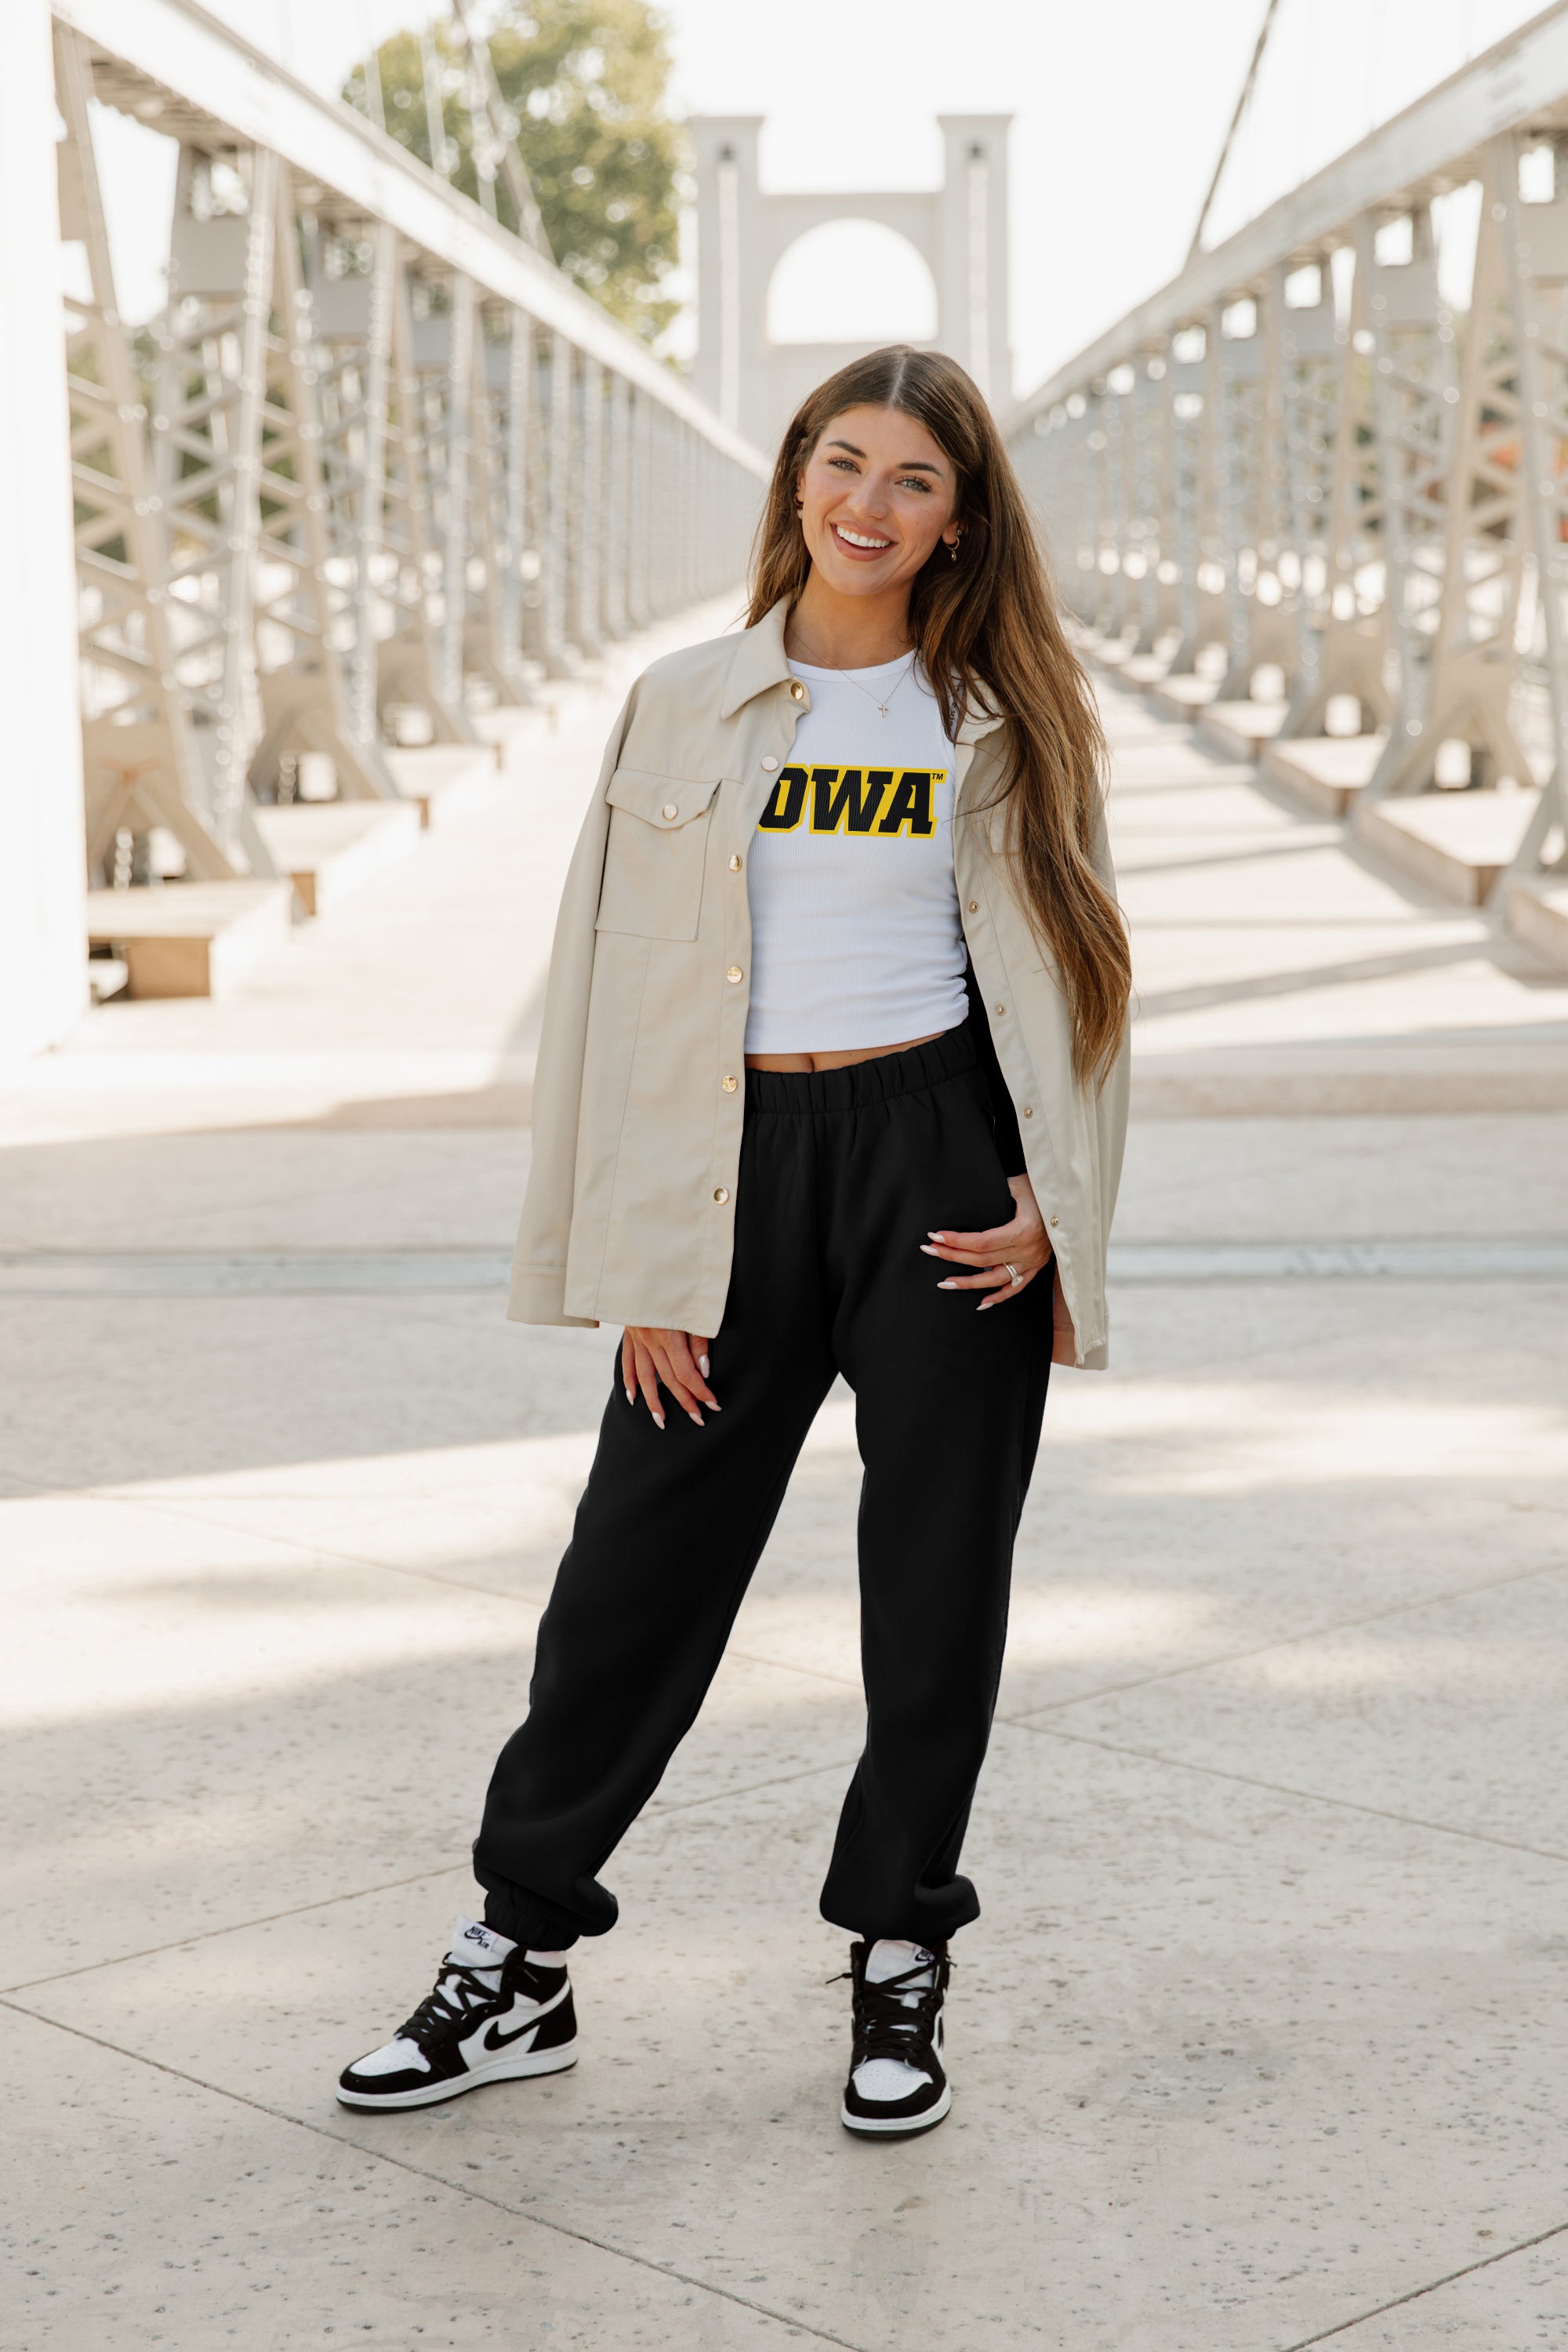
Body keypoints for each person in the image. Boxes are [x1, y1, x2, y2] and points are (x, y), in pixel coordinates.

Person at [337, 345, 1131, 2140]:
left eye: (913, 479)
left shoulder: (1002, 714)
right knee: (630, 1576)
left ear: (958, 518)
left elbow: (1085, 972)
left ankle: (898, 1959)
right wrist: (638, 1262)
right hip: (730, 1168)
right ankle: (517, 1954)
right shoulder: (684, 700)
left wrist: (1049, 1207)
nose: (867, 503)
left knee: (934, 1597)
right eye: (840, 463)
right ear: (792, 480)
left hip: (937, 1165)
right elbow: (611, 995)